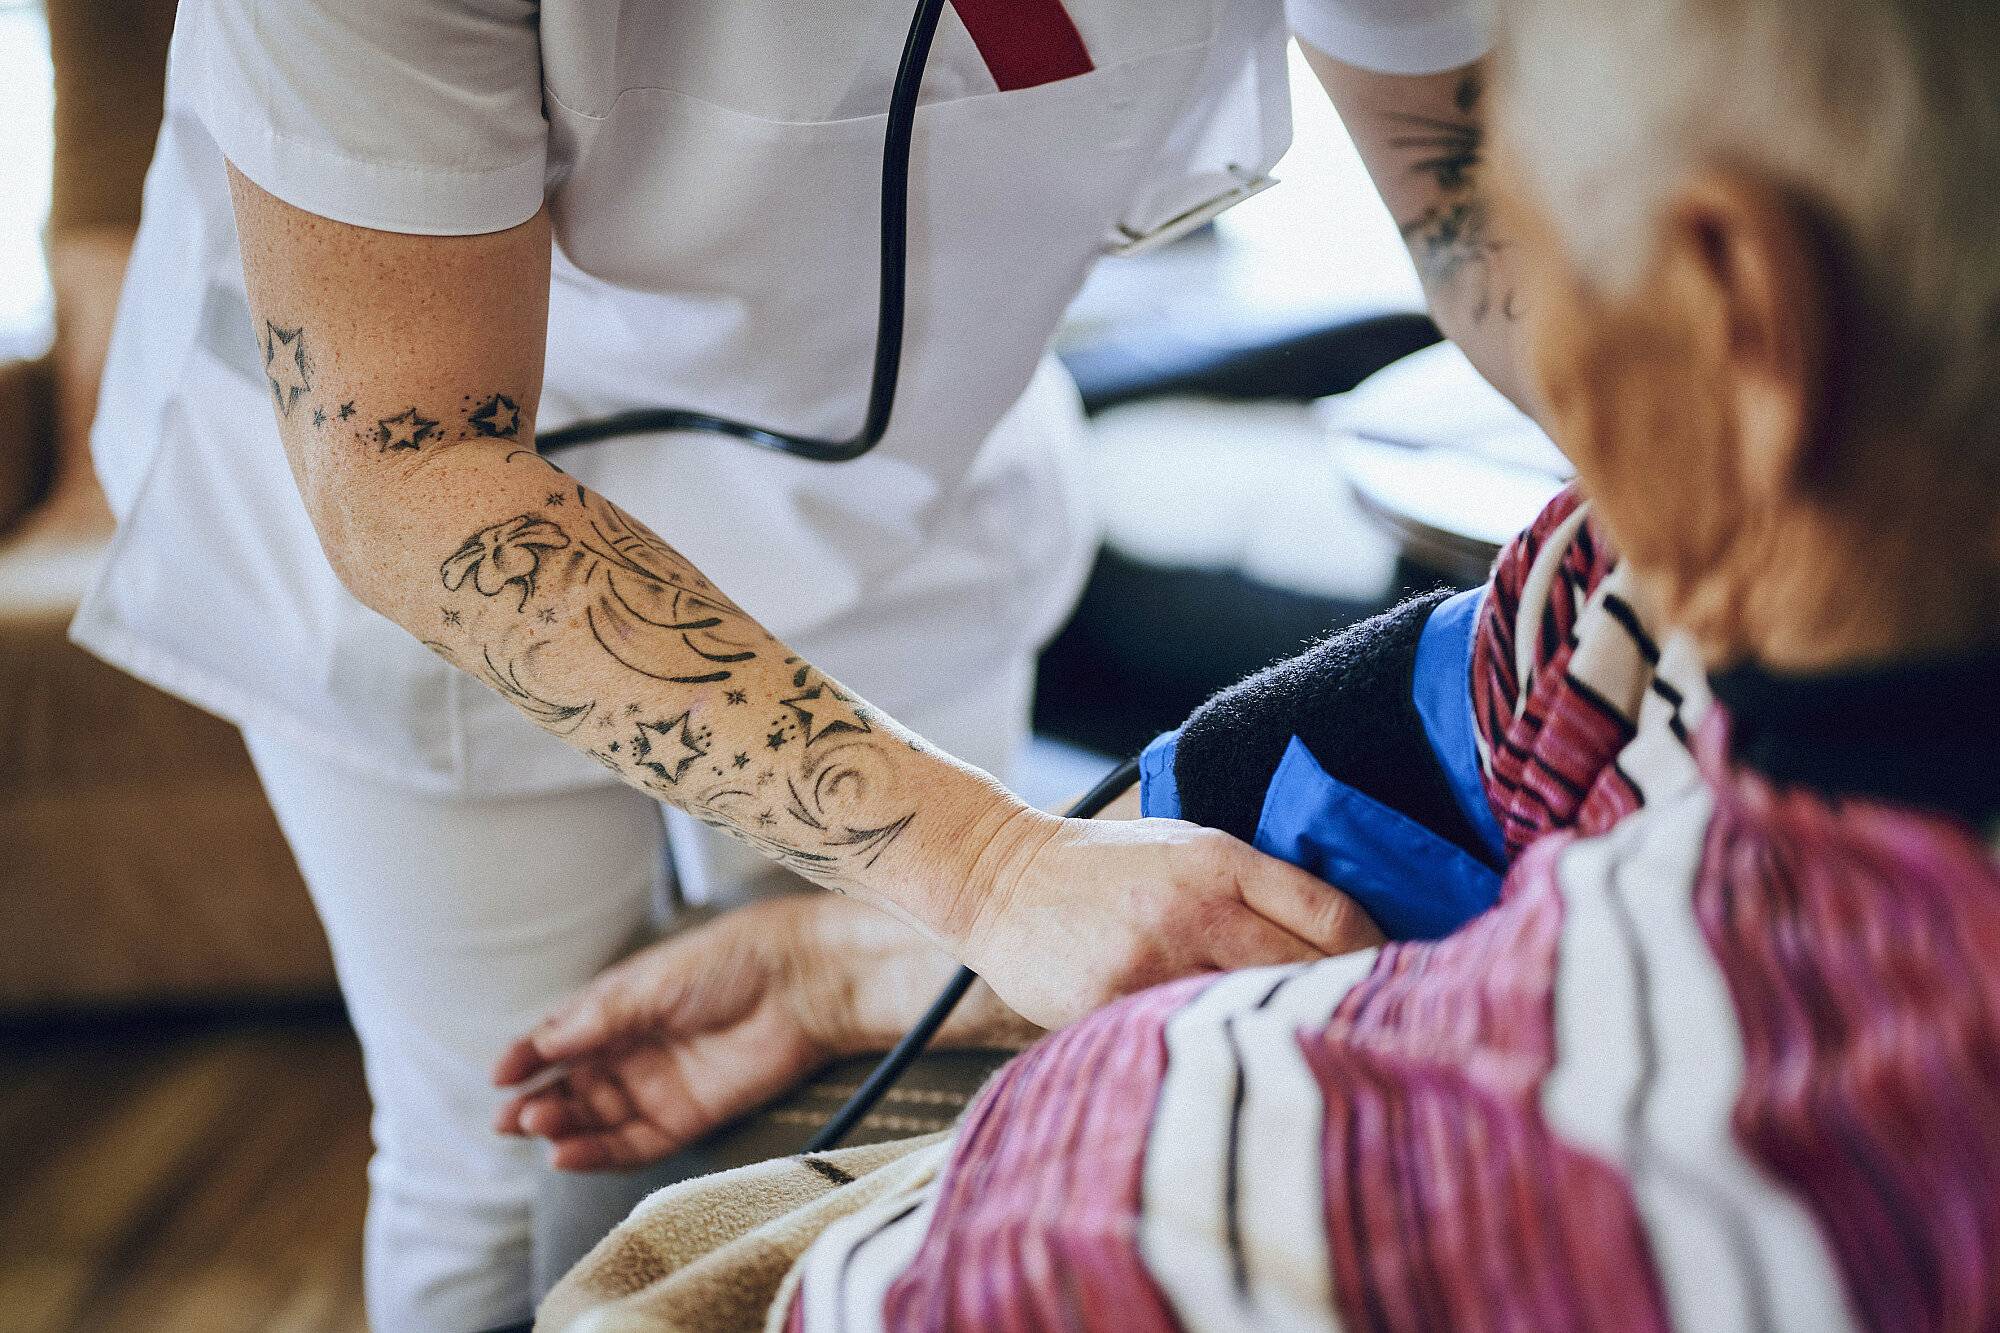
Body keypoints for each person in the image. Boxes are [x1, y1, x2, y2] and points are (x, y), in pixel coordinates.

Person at [526, 0, 2000, 1326]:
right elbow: (1432, 735)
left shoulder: (1156, 1200)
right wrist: (889, 948)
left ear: (1740, 323)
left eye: (1525, 213)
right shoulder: (1629, 621)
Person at [74, 0, 1513, 1326]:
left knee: (871, 1135)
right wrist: (989, 869)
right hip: (429, 512)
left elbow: (1485, 193)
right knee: (503, 1135)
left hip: (902, 495)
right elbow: (410, 458)